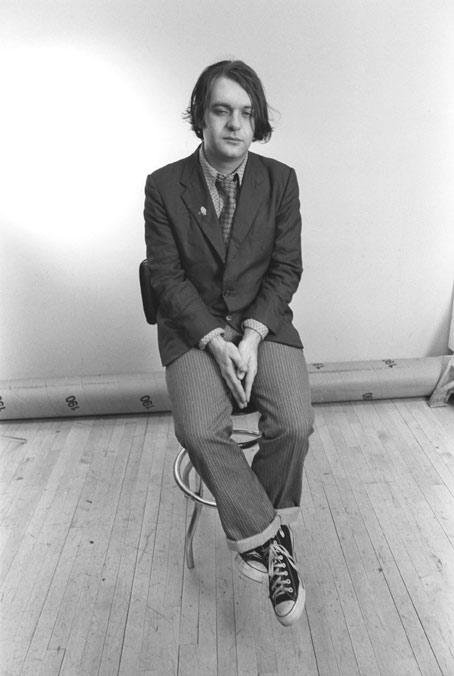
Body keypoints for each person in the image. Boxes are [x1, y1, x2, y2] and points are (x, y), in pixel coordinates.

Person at [144, 59, 314, 627]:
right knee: (197, 429)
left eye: (245, 113)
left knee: (295, 424)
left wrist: (254, 337)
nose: (235, 124)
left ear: (257, 120)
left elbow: (286, 268)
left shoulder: (281, 180)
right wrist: (217, 341)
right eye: (222, 110)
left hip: (264, 324)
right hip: (195, 330)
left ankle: (258, 533)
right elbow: (166, 277)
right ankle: (271, 541)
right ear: (201, 115)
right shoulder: (163, 186)